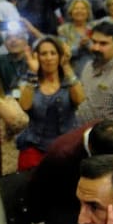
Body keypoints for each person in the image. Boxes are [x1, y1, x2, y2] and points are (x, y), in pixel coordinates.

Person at [17, 37, 85, 165]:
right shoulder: (28, 81)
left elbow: (80, 99)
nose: (49, 58)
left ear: (60, 56)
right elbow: (25, 106)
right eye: (44, 54)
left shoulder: (69, 80)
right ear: (37, 57)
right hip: (35, 148)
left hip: (67, 148)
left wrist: (66, 66)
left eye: (53, 53)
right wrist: (33, 72)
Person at [75, 21, 113, 124]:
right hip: (80, 131)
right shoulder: (88, 67)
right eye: (94, 42)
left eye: (103, 44)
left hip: (106, 135)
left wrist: (101, 130)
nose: (96, 48)